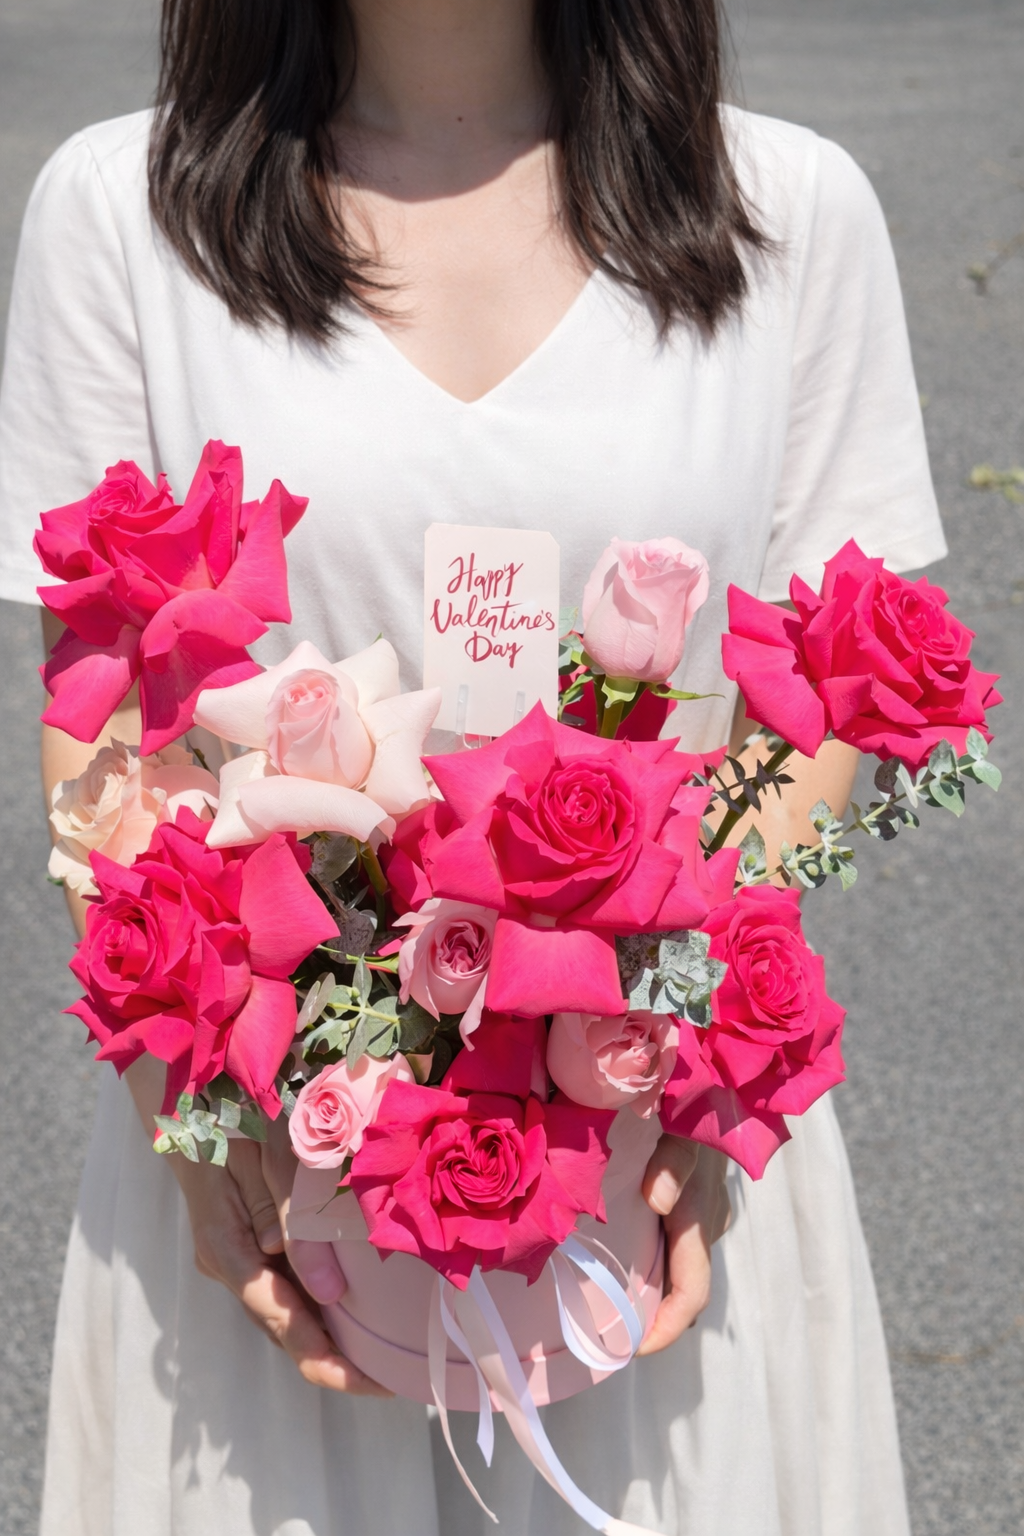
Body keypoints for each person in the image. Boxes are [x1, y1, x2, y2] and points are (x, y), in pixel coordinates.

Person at [0, 0, 947, 1531]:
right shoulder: (129, 214)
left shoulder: (788, 214)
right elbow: (109, 723)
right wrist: (205, 1129)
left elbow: (819, 706)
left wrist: (688, 1084)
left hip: (650, 1174)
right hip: (273, 1182)